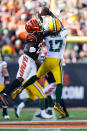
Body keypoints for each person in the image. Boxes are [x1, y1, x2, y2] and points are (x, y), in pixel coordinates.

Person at [0, 7, 67, 117]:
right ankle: (4, 94)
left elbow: (46, 27)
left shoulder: (39, 33)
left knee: (20, 80)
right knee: (20, 79)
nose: (40, 26)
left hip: (32, 60)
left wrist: (45, 14)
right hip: (27, 59)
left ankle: (5, 94)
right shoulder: (33, 36)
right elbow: (27, 49)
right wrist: (35, 53)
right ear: (35, 28)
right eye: (38, 25)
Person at [0, 53, 10, 119]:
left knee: (4, 99)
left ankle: (5, 113)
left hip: (0, 85)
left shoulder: (2, 63)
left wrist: (7, 84)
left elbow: (6, 75)